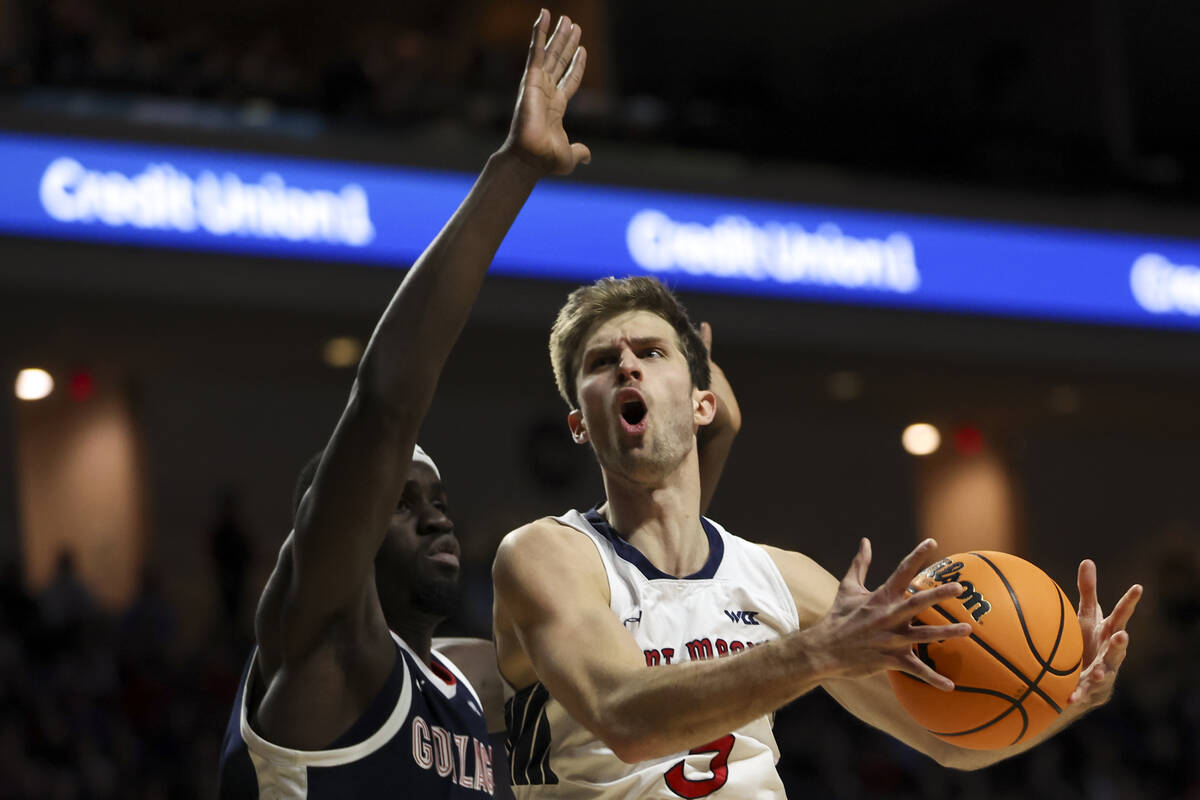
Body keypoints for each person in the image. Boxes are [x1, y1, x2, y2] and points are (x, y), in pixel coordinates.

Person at [492, 275, 1144, 797]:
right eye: (604, 361)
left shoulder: (781, 577)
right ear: (579, 424)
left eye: (651, 352)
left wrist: (1071, 697)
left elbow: (949, 741)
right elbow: (624, 717)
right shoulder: (548, 555)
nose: (628, 367)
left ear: (701, 404)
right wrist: (819, 652)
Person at [215, 11, 593, 797]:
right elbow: (386, 405)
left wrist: (699, 441)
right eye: (401, 500)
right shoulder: (318, 641)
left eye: (439, 499)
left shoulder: (462, 686)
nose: (435, 516)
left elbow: (649, 640)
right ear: (335, 526)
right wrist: (514, 171)